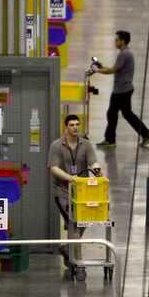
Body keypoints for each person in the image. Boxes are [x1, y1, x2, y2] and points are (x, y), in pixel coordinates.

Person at [47, 114, 101, 272]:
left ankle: (67, 249)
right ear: (66, 127)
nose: (75, 127)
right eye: (72, 125)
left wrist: (97, 170)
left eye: (77, 124)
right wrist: (71, 178)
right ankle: (77, 262)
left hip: (82, 191)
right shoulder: (57, 145)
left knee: (82, 221)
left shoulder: (85, 144)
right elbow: (53, 168)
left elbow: (93, 160)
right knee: (74, 222)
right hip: (63, 191)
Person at [92, 29, 149, 148]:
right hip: (124, 89)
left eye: (117, 40)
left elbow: (113, 70)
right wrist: (101, 66)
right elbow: (115, 68)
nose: (115, 42)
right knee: (122, 113)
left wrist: (97, 70)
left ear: (123, 41)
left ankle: (111, 140)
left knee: (113, 113)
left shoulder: (124, 54)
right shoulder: (125, 53)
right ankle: (145, 134)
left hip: (121, 90)